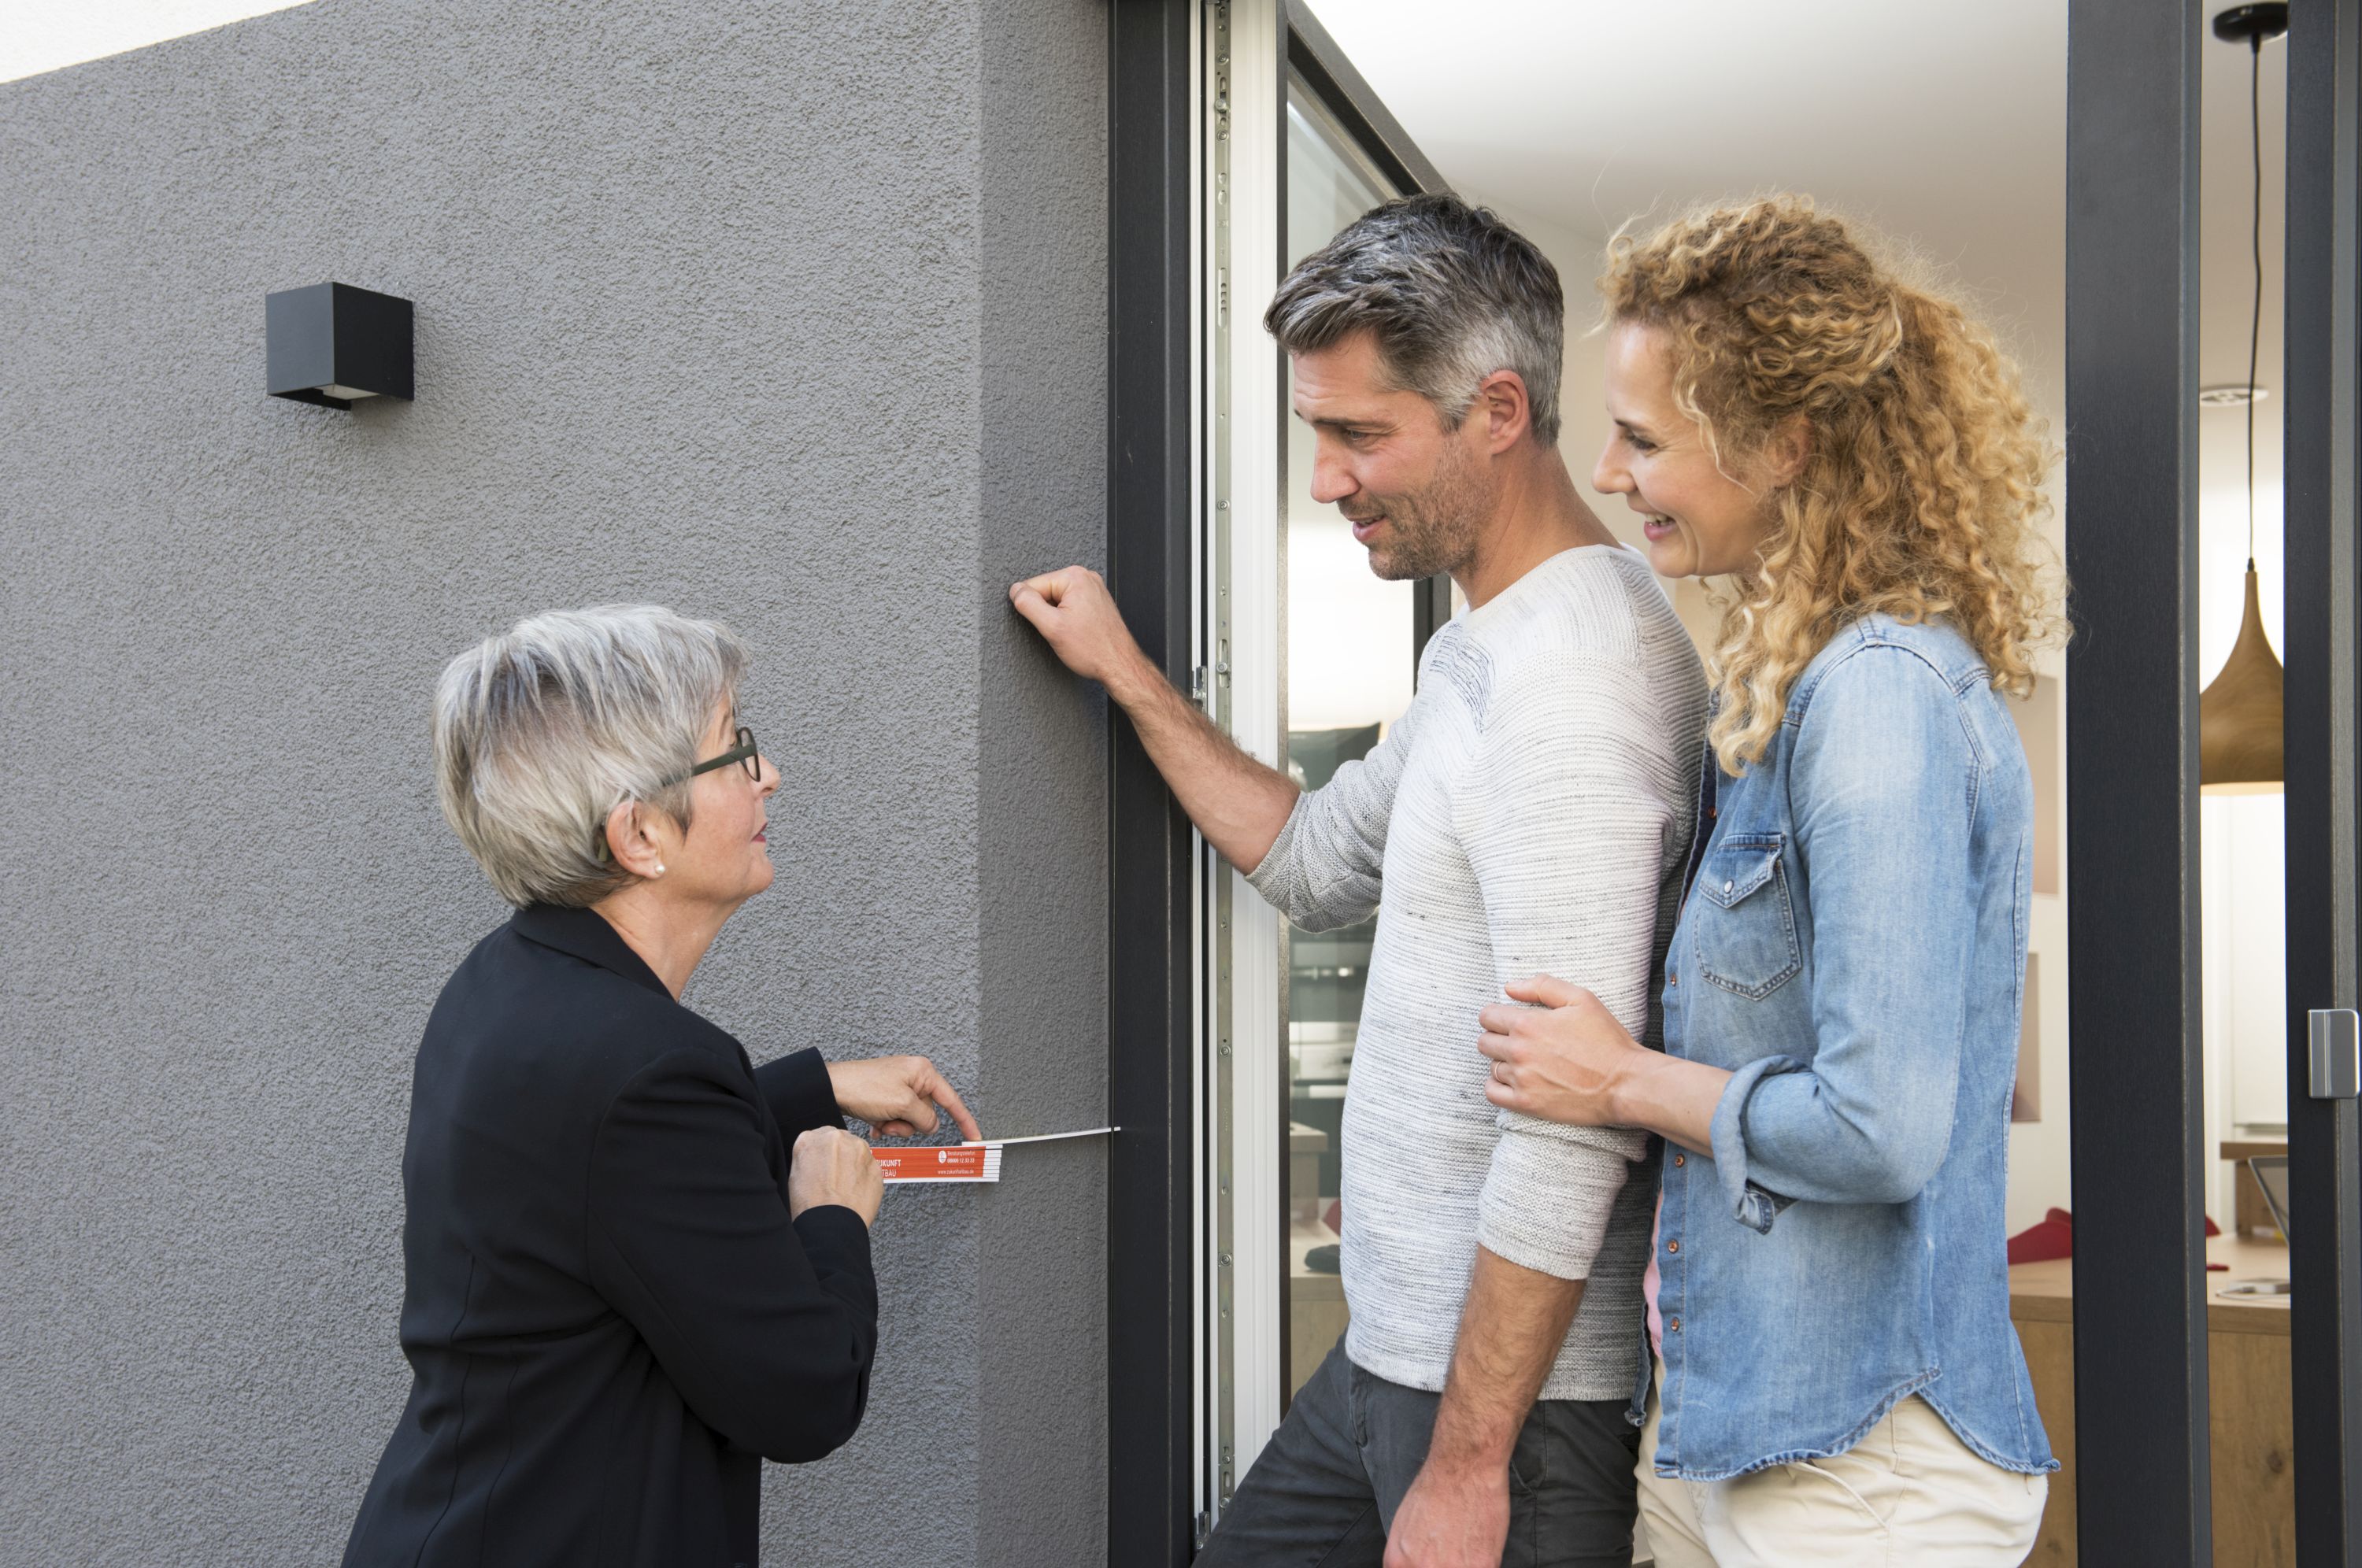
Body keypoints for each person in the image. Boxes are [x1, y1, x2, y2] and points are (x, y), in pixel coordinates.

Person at [1013, 194, 1707, 1567]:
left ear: (1497, 411)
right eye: (1316, 433)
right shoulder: (1484, 652)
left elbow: (1575, 1116)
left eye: (1359, 434)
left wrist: (1467, 1462)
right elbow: (1318, 859)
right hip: (1397, 1356)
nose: (1326, 478)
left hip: (1509, 1413)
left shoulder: (1576, 680)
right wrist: (1126, 674)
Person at [1475, 197, 2064, 1565]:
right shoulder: (1787, 697)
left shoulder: (1876, 698)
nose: (1612, 475)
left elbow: (1885, 1123)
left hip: (1861, 1475)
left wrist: (1617, 1078)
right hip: (1732, 1433)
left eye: (1643, 440)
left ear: (1784, 446)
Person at [342, 605, 983, 1568]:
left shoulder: (504, 986)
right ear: (640, 832)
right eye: (735, 750)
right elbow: (807, 1396)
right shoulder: (647, 1071)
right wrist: (832, 1217)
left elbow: (590, 1168)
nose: (769, 775)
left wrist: (808, 1090)